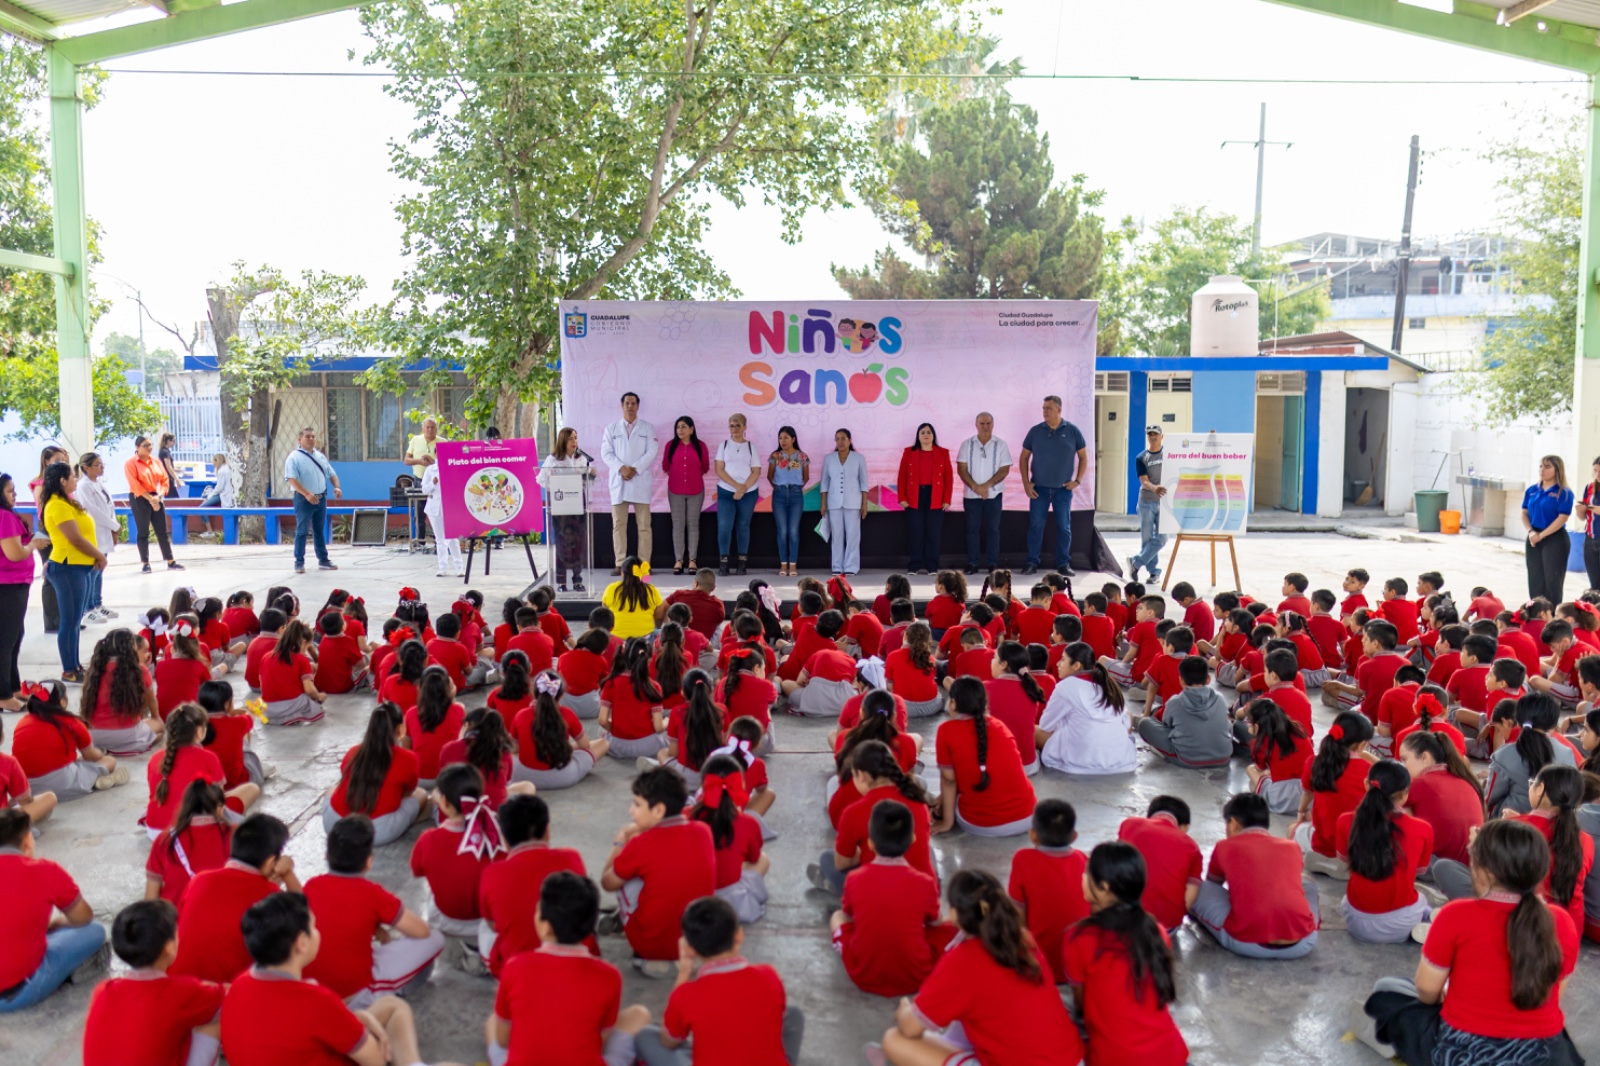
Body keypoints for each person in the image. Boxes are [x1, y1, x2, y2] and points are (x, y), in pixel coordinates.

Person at [1360, 819, 1584, 1066]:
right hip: (1543, 1056)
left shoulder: (1456, 915)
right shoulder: (1562, 921)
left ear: (1482, 869)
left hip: (1464, 1053)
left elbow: (1426, 991)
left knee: (1387, 989)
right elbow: (1552, 995)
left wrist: (1454, 997)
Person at [867, 869, 1083, 1066]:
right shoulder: (1023, 939)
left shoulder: (962, 960)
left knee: (894, 1040)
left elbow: (911, 1028)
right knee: (967, 1015)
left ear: (953, 915)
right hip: (1072, 1060)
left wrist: (905, 1010)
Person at [220, 892, 464, 1066]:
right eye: (314, 927)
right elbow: (376, 1060)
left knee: (392, 1006)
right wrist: (363, 1027)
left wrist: (361, 1018)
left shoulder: (239, 986)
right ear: (302, 943)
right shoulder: (315, 1001)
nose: (318, 932)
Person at [488, 871, 651, 1066]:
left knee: (492, 1022)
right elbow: (602, 1042)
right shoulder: (609, 975)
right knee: (638, 1014)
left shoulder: (515, 967)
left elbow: (503, 1040)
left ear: (545, 927)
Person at [634, 896, 802, 1066]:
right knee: (793, 1014)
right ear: (739, 935)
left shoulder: (686, 995)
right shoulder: (769, 976)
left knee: (647, 1035)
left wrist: (684, 972)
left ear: (689, 949)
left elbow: (668, 1041)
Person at [1063, 842, 1189, 1066]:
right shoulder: (1156, 931)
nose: (1082, 877)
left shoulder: (1079, 938)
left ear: (1103, 887)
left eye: (1086, 873)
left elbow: (1081, 1004)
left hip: (1115, 1058)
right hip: (1169, 1054)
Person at [599, 765, 717, 975]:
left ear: (659, 810)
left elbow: (607, 883)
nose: (631, 811)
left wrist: (619, 844)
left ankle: (646, 952)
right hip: (699, 941)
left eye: (637, 804)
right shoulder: (703, 831)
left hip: (652, 947)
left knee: (627, 877)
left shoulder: (640, 844)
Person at [83, 899, 225, 1066]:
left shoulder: (103, 990)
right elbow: (227, 995)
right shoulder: (179, 992)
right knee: (218, 1019)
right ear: (170, 946)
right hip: (187, 998)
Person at [0, 807, 107, 1014]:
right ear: (27, 840)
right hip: (20, 992)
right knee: (94, 930)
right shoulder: (45, 870)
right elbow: (83, 916)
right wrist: (59, 922)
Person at [1191, 791, 1320, 959]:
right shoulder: (1291, 846)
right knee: (1308, 883)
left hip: (1246, 942)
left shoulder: (1224, 846)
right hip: (1303, 943)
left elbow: (1214, 884)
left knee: (1197, 887)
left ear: (1233, 824)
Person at [931, 677, 1036, 837]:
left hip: (985, 824)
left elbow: (949, 780)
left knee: (937, 807)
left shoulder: (946, 731)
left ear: (952, 703)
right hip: (1028, 816)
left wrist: (947, 822)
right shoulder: (999, 725)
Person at [39, 461, 105, 682]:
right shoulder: (57, 505)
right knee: (69, 621)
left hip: (80, 567)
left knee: (75, 620)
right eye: (73, 476)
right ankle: (69, 669)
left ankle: (75, 665)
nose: (76, 480)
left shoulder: (68, 502)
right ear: (62, 480)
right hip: (67, 567)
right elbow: (75, 539)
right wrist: (99, 555)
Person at [1035, 641, 1137, 774]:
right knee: (1127, 713)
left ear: (1076, 665)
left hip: (1080, 761)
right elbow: (1127, 720)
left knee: (1031, 730)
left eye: (1063, 659)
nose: (1058, 664)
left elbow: (1046, 725)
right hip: (1121, 761)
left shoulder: (1066, 686)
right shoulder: (1108, 684)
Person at [1017, 394, 1089, 577]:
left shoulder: (1072, 431)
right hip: (1039, 489)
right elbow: (1024, 457)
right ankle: (1032, 563)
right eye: (1043, 408)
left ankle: (1063, 563)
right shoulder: (1035, 431)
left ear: (1059, 410)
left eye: (1048, 408)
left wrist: (1078, 480)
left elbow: (1083, 457)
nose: (1045, 412)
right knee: (1035, 526)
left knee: (1064, 527)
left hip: (1063, 490)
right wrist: (1026, 483)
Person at [0, 474, 49, 708]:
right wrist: (33, 545)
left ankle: (12, 686)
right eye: (10, 491)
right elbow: (15, 553)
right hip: (7, 585)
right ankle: (3, 695)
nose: (15, 494)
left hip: (15, 583)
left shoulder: (8, 516)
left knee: (15, 636)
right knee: (5, 639)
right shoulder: (3, 517)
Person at [600, 391, 658, 572]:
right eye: (627, 403)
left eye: (633, 403)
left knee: (644, 525)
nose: (630, 406)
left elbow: (651, 452)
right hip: (619, 480)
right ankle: (620, 563)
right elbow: (606, 453)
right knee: (618, 525)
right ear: (622, 406)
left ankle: (644, 565)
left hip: (640, 480)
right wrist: (621, 468)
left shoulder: (648, 428)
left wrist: (634, 469)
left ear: (638, 406)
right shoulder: (611, 428)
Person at [537, 427, 594, 592]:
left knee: (578, 545)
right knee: (562, 544)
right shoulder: (553, 459)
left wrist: (591, 475)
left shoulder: (581, 459)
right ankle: (561, 582)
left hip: (578, 506)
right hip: (560, 506)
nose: (574, 442)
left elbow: (586, 483)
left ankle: (577, 580)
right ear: (563, 440)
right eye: (570, 438)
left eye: (576, 438)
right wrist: (552, 480)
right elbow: (541, 480)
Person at [955, 412, 1011, 576]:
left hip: (994, 495)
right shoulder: (967, 444)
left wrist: (986, 486)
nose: (985, 426)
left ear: (993, 425)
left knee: (993, 529)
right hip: (971, 496)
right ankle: (973, 563)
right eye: (982, 423)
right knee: (972, 530)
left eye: (988, 423)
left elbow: (1004, 469)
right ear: (976, 425)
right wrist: (976, 487)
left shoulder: (1001, 444)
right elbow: (961, 469)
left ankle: (992, 564)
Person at [283, 427, 341, 575]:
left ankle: (323, 559)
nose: (311, 439)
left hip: (321, 499)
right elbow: (292, 479)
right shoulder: (294, 458)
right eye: (307, 437)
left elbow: (331, 473)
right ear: (299, 439)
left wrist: (337, 487)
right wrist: (306, 493)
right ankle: (299, 562)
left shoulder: (320, 456)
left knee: (319, 530)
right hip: (303, 499)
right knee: (302, 531)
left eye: (313, 437)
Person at [896, 422, 952, 576]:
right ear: (918, 436)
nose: (926, 435)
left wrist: (947, 498)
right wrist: (902, 497)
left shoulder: (943, 453)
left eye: (929, 432)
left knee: (933, 532)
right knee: (916, 531)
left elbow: (948, 478)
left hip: (935, 496)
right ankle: (914, 565)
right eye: (923, 432)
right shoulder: (909, 452)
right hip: (914, 496)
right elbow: (902, 476)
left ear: (933, 435)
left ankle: (932, 566)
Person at [124, 436, 181, 574]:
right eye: (145, 445)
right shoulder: (131, 463)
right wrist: (150, 499)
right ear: (137, 447)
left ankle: (170, 560)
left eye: (150, 445)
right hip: (139, 497)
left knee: (161, 530)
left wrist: (158, 496)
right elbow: (134, 484)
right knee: (143, 531)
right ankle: (145, 562)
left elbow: (164, 480)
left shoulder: (156, 462)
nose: (149, 448)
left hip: (156, 495)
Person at [661, 415, 710, 575]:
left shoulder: (700, 445)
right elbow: (666, 466)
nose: (680, 430)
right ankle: (679, 560)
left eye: (683, 427)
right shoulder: (671, 445)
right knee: (678, 524)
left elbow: (705, 466)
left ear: (691, 429)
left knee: (693, 524)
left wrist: (691, 477)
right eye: (678, 427)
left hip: (696, 489)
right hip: (675, 490)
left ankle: (692, 560)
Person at [1522, 453, 1573, 603]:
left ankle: (1551, 615)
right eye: (1540, 466)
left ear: (1557, 470)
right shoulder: (1532, 490)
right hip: (1533, 536)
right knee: (1535, 578)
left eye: (1547, 466)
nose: (1542, 470)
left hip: (1554, 538)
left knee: (1552, 580)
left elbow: (1562, 517)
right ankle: (1536, 612)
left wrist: (1542, 535)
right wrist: (1531, 532)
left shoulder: (1564, 493)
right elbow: (1524, 513)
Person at [714, 412, 760, 576]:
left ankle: (742, 563)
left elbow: (756, 471)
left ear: (745, 427)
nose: (734, 428)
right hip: (726, 491)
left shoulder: (751, 447)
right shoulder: (724, 445)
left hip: (748, 493)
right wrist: (736, 486)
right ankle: (724, 563)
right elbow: (719, 469)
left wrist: (744, 488)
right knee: (725, 526)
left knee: (742, 526)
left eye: (737, 425)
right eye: (731, 425)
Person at [819, 428, 869, 577]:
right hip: (834, 502)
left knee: (853, 535)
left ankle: (851, 566)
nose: (840, 442)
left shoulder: (859, 458)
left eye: (843, 438)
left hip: (853, 502)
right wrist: (823, 503)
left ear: (849, 440)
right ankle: (837, 566)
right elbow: (824, 483)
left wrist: (864, 504)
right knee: (837, 535)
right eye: (837, 439)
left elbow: (864, 482)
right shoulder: (829, 458)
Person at [74, 453, 117, 624]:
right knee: (92, 571)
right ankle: (88, 608)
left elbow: (108, 507)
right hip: (94, 533)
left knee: (99, 571)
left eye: (102, 464)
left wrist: (114, 527)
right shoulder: (83, 486)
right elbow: (92, 511)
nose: (102, 467)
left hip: (104, 532)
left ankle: (98, 604)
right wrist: (114, 526)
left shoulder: (98, 484)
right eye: (97, 465)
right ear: (86, 467)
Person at [767, 425, 809, 577]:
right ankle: (783, 564)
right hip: (779, 495)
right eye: (780, 438)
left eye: (785, 437)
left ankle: (793, 565)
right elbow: (769, 475)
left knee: (793, 531)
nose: (782, 440)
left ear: (793, 439)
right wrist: (779, 487)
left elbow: (806, 477)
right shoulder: (775, 456)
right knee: (782, 531)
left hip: (797, 495)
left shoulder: (802, 456)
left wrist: (795, 488)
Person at [1127, 426, 1167, 582]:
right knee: (1147, 538)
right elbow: (1144, 481)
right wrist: (1154, 488)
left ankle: (1136, 562)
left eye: (1155, 434)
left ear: (1162, 436)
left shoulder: (1169, 455)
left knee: (1163, 538)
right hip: (1146, 501)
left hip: (1164, 502)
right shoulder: (1141, 457)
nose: (1153, 437)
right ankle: (1154, 572)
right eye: (1150, 434)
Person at [602, 556, 663, 639]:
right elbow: (659, 616)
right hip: (645, 639)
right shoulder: (652, 590)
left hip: (617, 639)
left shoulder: (611, 589)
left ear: (622, 572)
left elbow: (605, 614)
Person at [421, 455, 462, 577]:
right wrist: (433, 483)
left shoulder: (453, 466)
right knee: (440, 539)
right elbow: (424, 490)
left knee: (453, 538)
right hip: (434, 507)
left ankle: (459, 567)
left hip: (450, 506)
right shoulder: (430, 469)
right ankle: (442, 567)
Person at [158, 432, 183, 499]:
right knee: (174, 499)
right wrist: (177, 479)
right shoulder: (165, 452)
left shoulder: (163, 451)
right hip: (168, 479)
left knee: (172, 498)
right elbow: (168, 467)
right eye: (173, 441)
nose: (174, 443)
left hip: (166, 479)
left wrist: (178, 470)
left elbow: (168, 467)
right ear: (168, 441)